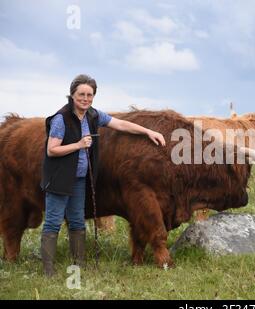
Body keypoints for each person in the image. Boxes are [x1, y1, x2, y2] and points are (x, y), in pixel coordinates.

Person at [40, 74, 166, 277]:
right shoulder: (60, 119)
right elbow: (51, 150)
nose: (85, 98)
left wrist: (148, 132)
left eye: (89, 95)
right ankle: (48, 271)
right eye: (81, 94)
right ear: (72, 95)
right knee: (53, 221)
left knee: (77, 221)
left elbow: (121, 124)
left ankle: (78, 266)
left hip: (80, 179)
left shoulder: (93, 115)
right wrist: (79, 145)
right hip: (59, 178)